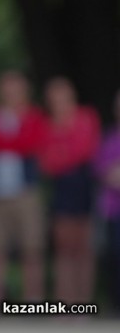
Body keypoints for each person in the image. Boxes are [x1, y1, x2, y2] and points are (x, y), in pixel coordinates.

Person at [0, 70, 46, 311]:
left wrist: (3, 142)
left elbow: (32, 143)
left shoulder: (34, 117)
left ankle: (32, 300)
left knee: (31, 247)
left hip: (26, 192)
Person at [38, 77, 100, 305]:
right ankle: (64, 303)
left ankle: (84, 303)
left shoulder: (86, 117)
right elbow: (45, 162)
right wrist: (65, 152)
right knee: (64, 250)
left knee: (84, 248)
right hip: (61, 189)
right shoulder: (46, 124)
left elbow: (85, 150)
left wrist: (61, 152)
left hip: (83, 187)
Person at [93, 89, 120, 314]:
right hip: (114, 209)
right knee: (113, 254)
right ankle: (114, 303)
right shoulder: (111, 138)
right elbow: (101, 168)